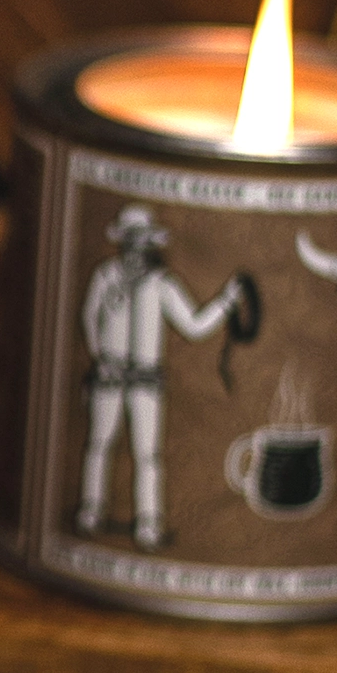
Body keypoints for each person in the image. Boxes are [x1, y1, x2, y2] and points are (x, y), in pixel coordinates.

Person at [76, 207, 245, 550]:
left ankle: (149, 523)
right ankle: (91, 510)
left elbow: (194, 325)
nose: (136, 247)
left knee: (147, 453)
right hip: (109, 376)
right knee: (99, 444)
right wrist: (99, 357)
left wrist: (225, 302)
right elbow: (89, 317)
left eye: (142, 240)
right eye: (130, 239)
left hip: (147, 382)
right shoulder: (106, 276)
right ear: (122, 241)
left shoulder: (162, 284)